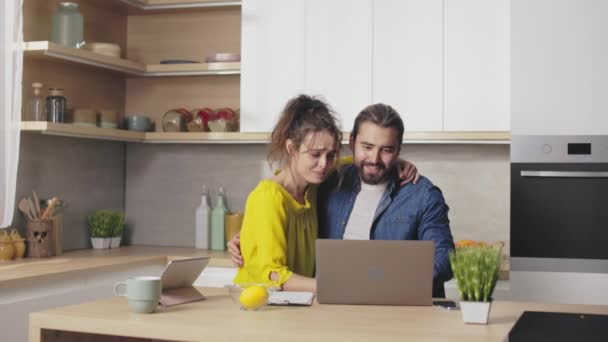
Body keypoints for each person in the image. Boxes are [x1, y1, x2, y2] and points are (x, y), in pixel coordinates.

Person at [230, 103, 454, 297]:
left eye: (387, 149)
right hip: (291, 303)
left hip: (390, 310)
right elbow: (268, 259)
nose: (374, 159)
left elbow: (444, 261)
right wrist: (247, 240)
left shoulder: (421, 194)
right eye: (367, 147)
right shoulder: (330, 182)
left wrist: (385, 285)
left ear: (398, 150)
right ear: (353, 142)